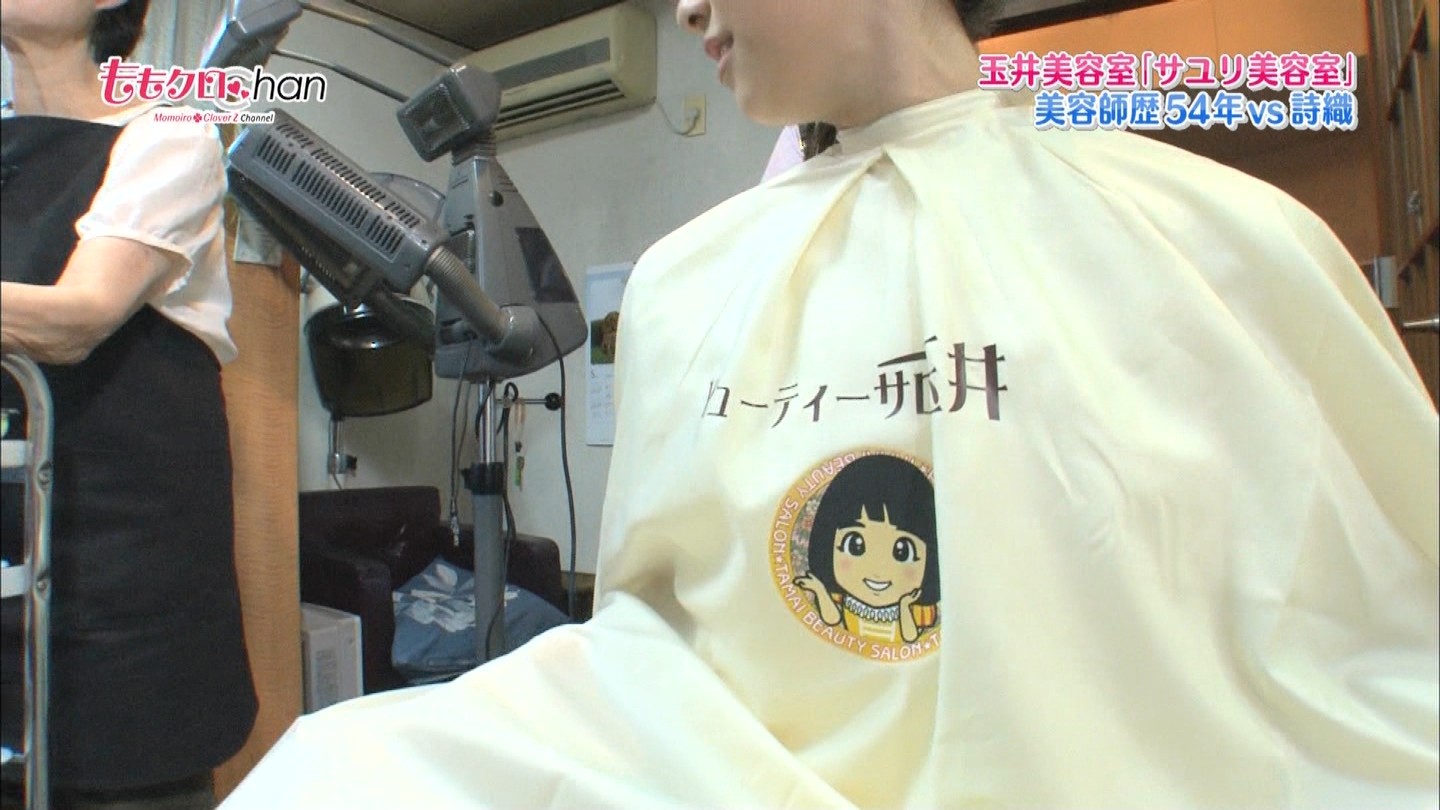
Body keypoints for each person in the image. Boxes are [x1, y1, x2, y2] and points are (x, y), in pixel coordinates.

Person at [222, 0, 1438, 807]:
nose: (685, 8)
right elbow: (660, 637)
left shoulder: (1215, 236)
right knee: (330, 771)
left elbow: (1357, 614)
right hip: (744, 764)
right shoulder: (689, 278)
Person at [0, 1, 257, 807]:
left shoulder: (170, 134)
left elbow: (77, 318)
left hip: (123, 578)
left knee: (124, 774)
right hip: (10, 554)